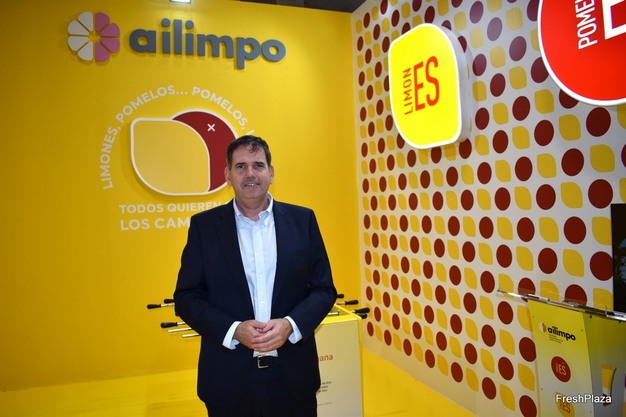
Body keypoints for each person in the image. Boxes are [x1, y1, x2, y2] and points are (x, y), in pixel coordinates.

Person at [174, 135, 337, 417]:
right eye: (241, 166)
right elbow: (186, 297)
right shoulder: (205, 227)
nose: (250, 173)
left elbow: (324, 289)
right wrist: (233, 329)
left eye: (258, 165)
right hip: (228, 381)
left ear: (271, 173)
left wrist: (290, 325)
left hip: (293, 380)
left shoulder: (303, 221)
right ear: (228, 175)